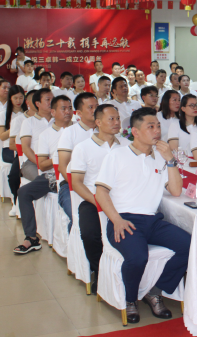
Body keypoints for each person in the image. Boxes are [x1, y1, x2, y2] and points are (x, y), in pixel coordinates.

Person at [95, 107, 191, 323]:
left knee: (190, 245)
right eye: (150, 127)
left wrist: (170, 159)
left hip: (152, 220)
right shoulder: (117, 155)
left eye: (158, 126)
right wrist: (116, 219)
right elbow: (100, 192)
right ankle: (130, 300)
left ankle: (155, 291)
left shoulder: (160, 158)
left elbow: (176, 190)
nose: (157, 131)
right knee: (138, 257)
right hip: (124, 219)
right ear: (135, 132)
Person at [70, 104, 131, 294]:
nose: (116, 122)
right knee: (90, 233)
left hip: (123, 200)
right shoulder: (83, 147)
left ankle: (130, 273)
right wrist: (97, 202)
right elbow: (76, 182)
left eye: (118, 118)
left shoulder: (127, 145)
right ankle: (99, 270)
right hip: (93, 200)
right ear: (98, 122)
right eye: (111, 119)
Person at [14, 95, 73, 254]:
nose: (68, 112)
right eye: (63, 108)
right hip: (52, 176)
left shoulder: (78, 130)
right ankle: (31, 237)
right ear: (53, 112)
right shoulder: (46, 135)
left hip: (76, 175)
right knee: (23, 192)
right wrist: (59, 158)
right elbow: (41, 164)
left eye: (70, 108)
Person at [57, 92, 99, 232]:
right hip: (71, 184)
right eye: (91, 107)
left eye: (97, 106)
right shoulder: (70, 132)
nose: (95, 110)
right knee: (80, 218)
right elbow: (63, 166)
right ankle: (74, 242)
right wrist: (77, 186)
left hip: (100, 183)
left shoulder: (105, 131)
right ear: (79, 113)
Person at [18, 89, 54, 186]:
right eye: (48, 99)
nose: (52, 102)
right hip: (33, 162)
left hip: (55, 160)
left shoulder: (59, 121)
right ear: (38, 103)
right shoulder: (28, 122)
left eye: (53, 99)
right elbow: (26, 148)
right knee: (45, 182)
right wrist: (41, 163)